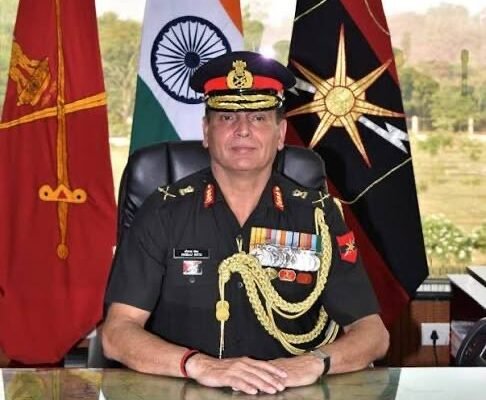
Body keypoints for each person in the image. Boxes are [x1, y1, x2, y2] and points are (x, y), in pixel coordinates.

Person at [102, 51, 389, 395]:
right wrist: (199, 365)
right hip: (184, 390)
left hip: (287, 392)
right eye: (226, 118)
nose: (242, 130)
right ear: (206, 131)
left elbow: (373, 333)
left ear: (280, 133)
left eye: (259, 118)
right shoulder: (162, 212)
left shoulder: (317, 216)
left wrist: (315, 362)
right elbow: (117, 333)